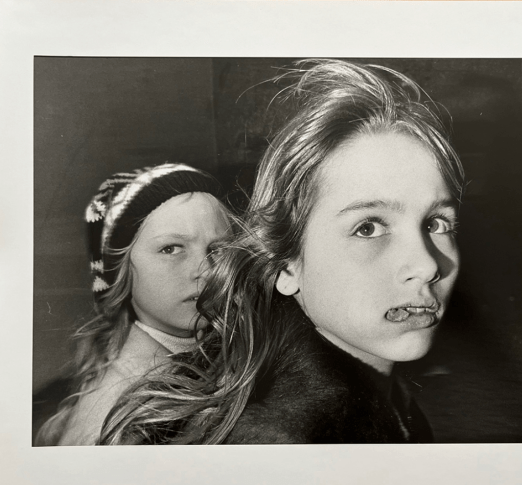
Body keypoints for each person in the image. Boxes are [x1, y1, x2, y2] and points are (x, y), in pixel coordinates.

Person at [99, 59, 465, 444]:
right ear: (285, 265)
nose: (426, 265)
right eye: (368, 227)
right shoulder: (288, 438)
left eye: (436, 224)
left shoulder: (375, 397)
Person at [35, 163, 230, 445]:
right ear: (121, 271)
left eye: (216, 249)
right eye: (171, 249)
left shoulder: (225, 351)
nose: (208, 270)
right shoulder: (116, 415)